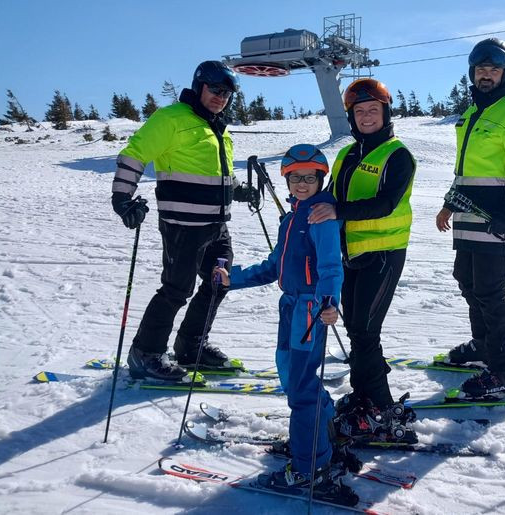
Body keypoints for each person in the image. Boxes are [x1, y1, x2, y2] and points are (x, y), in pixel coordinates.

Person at [218, 145, 356, 504]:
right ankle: (323, 439)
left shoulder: (321, 216)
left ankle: (311, 468)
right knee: (291, 375)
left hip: (310, 309)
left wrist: (329, 302)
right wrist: (232, 279)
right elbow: (273, 266)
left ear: (320, 179)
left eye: (309, 177)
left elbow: (331, 266)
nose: (302, 183)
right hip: (290, 306)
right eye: (295, 177)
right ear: (287, 180)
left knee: (301, 388)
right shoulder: (290, 218)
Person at [110, 60, 259, 381]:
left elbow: (217, 175)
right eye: (216, 89)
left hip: (216, 226)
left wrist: (241, 190)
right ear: (199, 87)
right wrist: (122, 198)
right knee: (177, 289)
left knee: (219, 282)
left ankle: (191, 346)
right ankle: (145, 353)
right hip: (182, 225)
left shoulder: (216, 127)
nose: (221, 97)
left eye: (227, 93)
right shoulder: (172, 119)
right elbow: (134, 153)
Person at [307, 78, 417, 440]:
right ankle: (364, 398)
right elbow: (331, 197)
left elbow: (385, 204)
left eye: (373, 110)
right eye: (359, 111)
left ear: (385, 114)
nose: (366, 116)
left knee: (366, 332)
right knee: (355, 328)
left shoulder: (398, 155)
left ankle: (384, 410)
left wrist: (337, 210)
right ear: (351, 118)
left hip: (383, 254)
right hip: (350, 254)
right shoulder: (347, 155)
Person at [435, 38, 505, 397]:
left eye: (493, 69)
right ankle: (483, 346)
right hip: (467, 215)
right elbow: (465, 171)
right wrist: (450, 203)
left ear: (504, 72)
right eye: (480, 69)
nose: (486, 74)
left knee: (490, 292)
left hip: (495, 216)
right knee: (466, 279)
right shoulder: (471, 113)